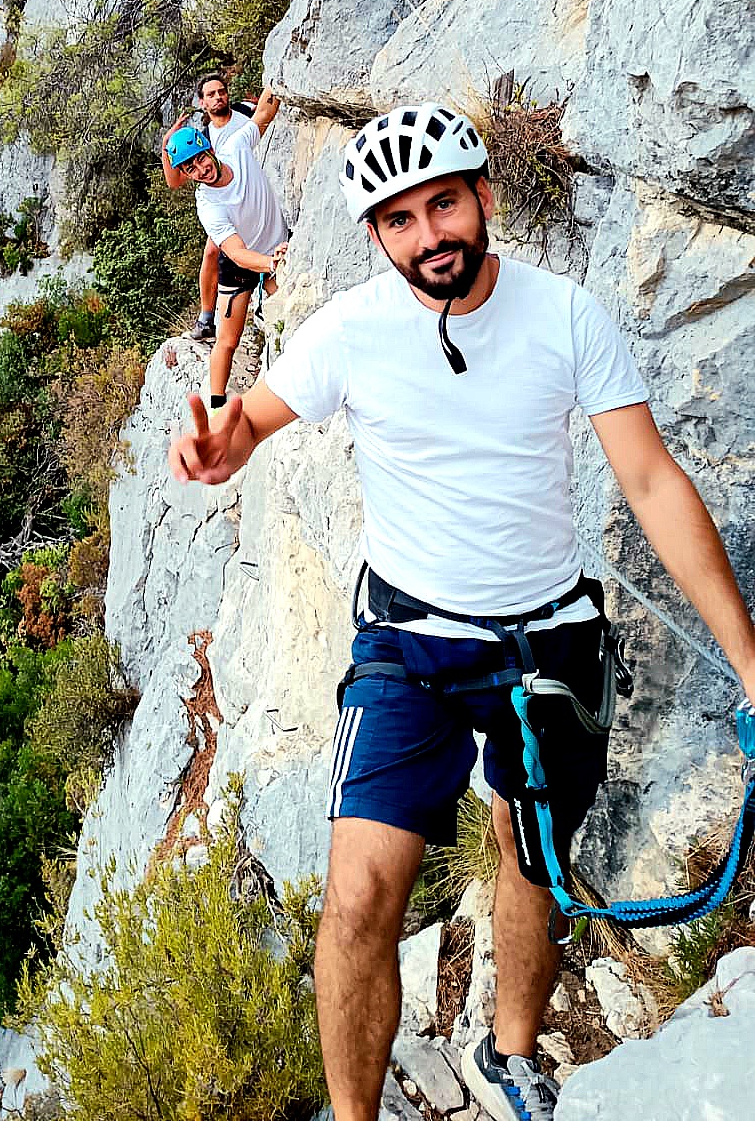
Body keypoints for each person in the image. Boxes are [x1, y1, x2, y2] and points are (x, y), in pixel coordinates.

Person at [168, 101, 755, 1121]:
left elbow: (653, 483)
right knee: (357, 896)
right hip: (408, 638)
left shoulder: (567, 315)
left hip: (548, 634)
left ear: (485, 197)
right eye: (401, 219)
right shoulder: (353, 330)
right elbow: (254, 416)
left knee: (530, 855)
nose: (429, 233)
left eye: (445, 203)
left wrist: (753, 665)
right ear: (377, 237)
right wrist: (226, 444)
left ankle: (510, 1050)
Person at [165, 109, 290, 407]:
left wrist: (275, 84)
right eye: (191, 168)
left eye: (200, 159)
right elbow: (236, 252)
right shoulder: (208, 205)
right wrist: (271, 263)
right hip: (242, 264)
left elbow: (262, 114)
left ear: (209, 150)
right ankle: (217, 408)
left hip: (274, 248)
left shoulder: (235, 147)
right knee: (227, 340)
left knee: (285, 319)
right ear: (186, 175)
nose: (201, 169)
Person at [160, 73, 280, 343]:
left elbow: (263, 113)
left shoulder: (242, 111)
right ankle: (206, 315)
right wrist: (167, 147)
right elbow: (175, 180)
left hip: (251, 189)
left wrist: (276, 77)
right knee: (213, 251)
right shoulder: (202, 137)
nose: (218, 97)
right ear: (202, 103)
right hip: (223, 200)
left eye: (221, 91)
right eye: (211, 95)